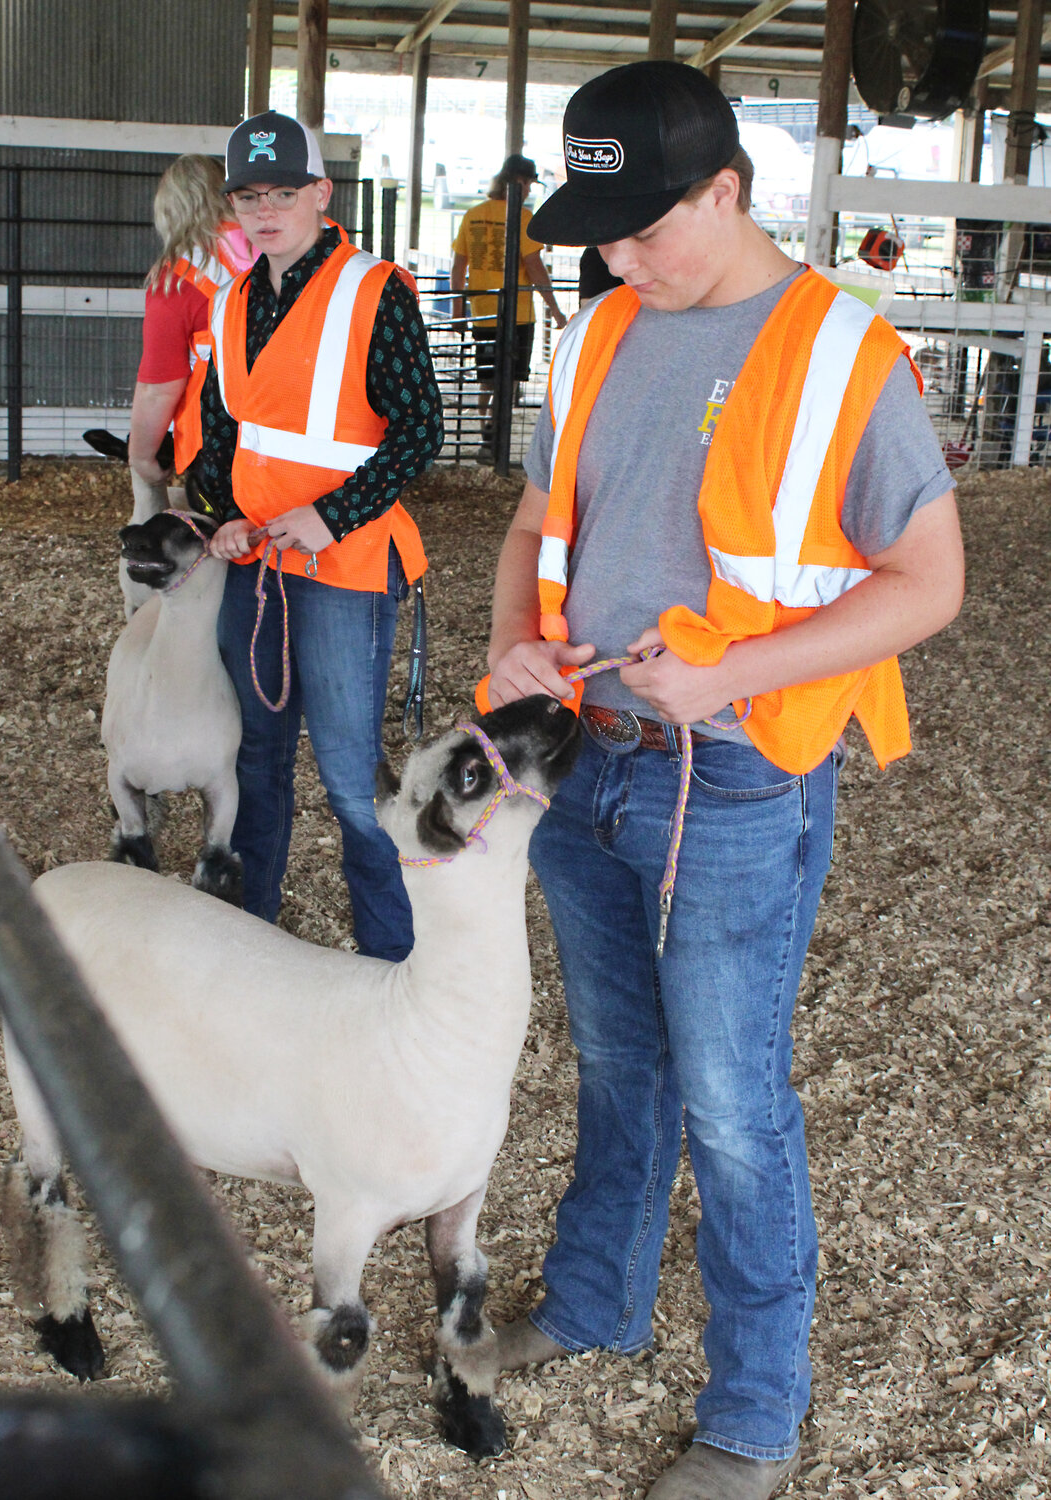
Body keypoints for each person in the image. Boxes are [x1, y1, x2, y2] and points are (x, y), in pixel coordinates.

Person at [480, 62, 964, 1500]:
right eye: (600, 231)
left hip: (740, 777)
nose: (612, 255)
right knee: (621, 1065)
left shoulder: (843, 355)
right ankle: (593, 1303)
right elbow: (528, 523)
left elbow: (930, 585)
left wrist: (734, 677)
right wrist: (514, 641)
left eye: (640, 225)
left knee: (736, 1104)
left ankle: (755, 1409)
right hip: (591, 762)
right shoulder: (605, 332)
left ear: (724, 192)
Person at [198, 111, 444, 961]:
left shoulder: (373, 290)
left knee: (347, 776)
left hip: (343, 564)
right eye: (248, 195)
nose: (265, 211)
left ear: (320, 194)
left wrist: (331, 513)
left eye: (283, 192)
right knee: (254, 764)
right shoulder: (230, 300)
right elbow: (221, 431)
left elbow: (419, 429)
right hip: (258, 564)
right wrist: (223, 513)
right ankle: (249, 942)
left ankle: (391, 965)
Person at [128, 154, 252, 491]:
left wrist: (141, 457)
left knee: (226, 539)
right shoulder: (280, 245)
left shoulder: (180, 279)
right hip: (295, 432)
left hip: (221, 440)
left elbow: (159, 386)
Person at [450, 153, 568, 460]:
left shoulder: (473, 214)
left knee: (487, 379)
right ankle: (496, 437)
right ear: (517, 181)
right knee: (510, 380)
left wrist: (457, 309)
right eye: (528, 184)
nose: (529, 190)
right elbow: (534, 265)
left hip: (484, 311)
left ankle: (487, 433)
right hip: (517, 314)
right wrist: (554, 308)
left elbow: (458, 264)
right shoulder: (523, 217)